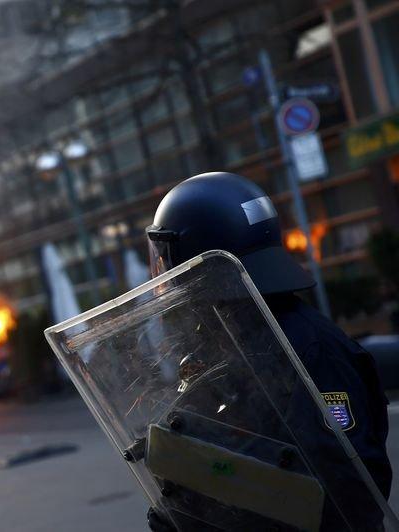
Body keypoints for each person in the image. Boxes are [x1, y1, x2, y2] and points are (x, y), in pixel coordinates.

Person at [144, 172, 392, 530]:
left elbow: (343, 495)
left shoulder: (309, 350)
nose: (163, 273)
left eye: (165, 256)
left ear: (203, 261)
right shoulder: (233, 342)